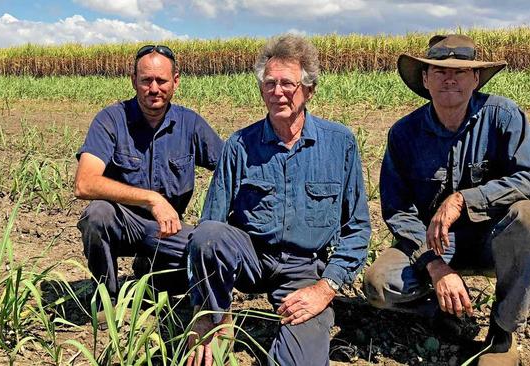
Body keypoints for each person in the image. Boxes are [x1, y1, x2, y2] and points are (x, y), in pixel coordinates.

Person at [185, 34, 371, 366]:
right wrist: (204, 308)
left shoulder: (339, 143)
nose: (277, 92)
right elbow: (209, 227)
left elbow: (357, 229)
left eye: (288, 83)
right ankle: (217, 317)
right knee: (209, 235)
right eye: (270, 83)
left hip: (303, 269)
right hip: (251, 259)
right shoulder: (240, 145)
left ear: (309, 90)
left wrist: (325, 288)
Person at [363, 34, 530, 366]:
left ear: (476, 78)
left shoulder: (502, 116)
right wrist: (436, 266)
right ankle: (444, 311)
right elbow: (398, 210)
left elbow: (529, 176)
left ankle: (501, 335)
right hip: (434, 244)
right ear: (425, 79)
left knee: (528, 216)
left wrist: (464, 199)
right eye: (439, 71)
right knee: (378, 284)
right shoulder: (404, 134)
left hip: (495, 242)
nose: (449, 78)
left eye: (460, 71)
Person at [73, 45, 224, 317]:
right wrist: (152, 199)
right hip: (122, 223)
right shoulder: (111, 119)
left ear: (175, 81)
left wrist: (220, 220)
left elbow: (229, 169)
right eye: (146, 80)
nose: (154, 88)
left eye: (161, 81)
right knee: (97, 214)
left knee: (213, 253)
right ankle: (106, 299)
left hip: (168, 230)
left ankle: (150, 277)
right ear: (134, 80)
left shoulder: (190, 124)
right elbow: (84, 183)